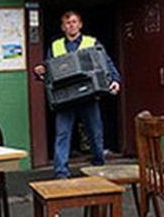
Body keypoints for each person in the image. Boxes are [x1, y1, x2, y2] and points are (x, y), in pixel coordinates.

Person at [34, 11, 121, 179]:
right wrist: (41, 70)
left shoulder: (92, 42)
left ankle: (98, 165)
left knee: (94, 132)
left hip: (88, 95)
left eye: (74, 22)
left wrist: (115, 79)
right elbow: (49, 69)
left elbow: (106, 62)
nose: (71, 25)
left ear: (80, 24)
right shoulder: (55, 46)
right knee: (62, 134)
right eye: (68, 23)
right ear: (63, 27)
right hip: (66, 97)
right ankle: (61, 173)